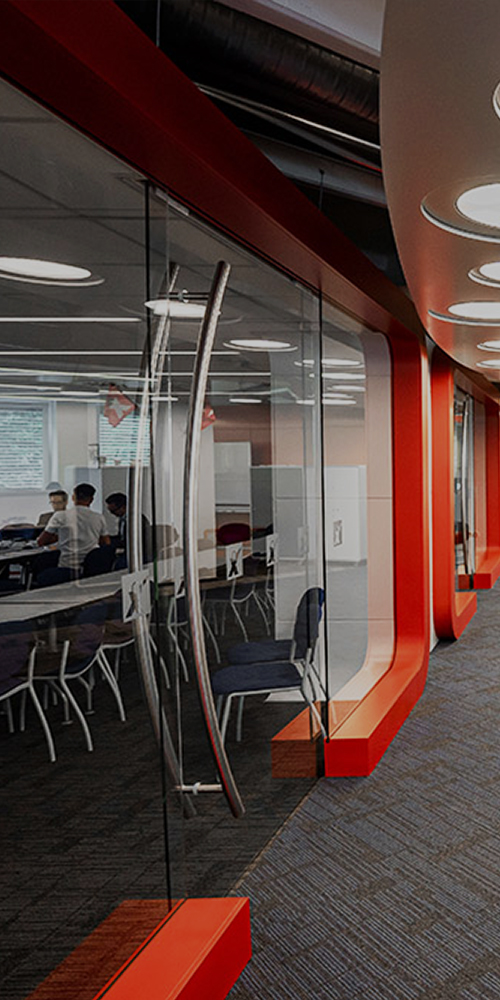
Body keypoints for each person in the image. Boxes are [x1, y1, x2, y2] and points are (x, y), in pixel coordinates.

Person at [36, 483, 111, 584]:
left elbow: (41, 542)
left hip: (67, 567)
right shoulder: (99, 517)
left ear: (73, 498)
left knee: (40, 565)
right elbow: (106, 543)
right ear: (91, 499)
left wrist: (60, 538)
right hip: (92, 567)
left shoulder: (60, 516)